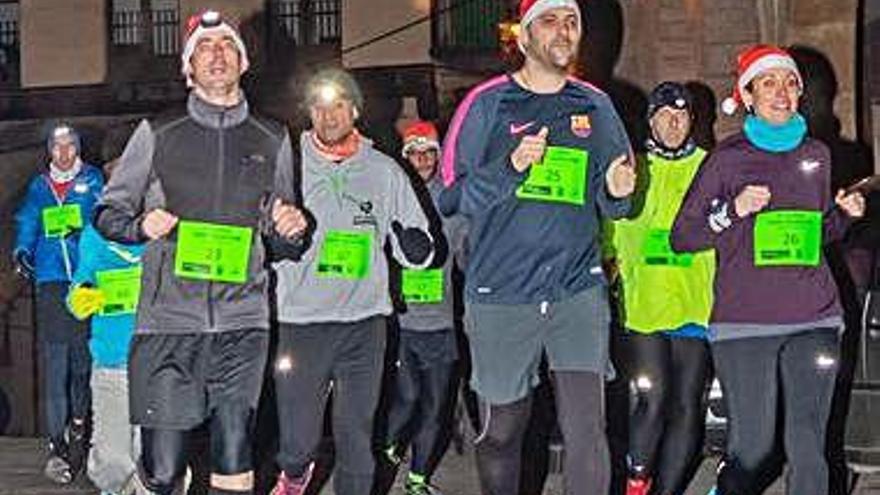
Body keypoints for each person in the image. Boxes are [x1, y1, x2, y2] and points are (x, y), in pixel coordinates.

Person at [94, 10, 307, 495]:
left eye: (226, 45)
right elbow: (108, 212)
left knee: (235, 448)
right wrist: (137, 225)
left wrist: (291, 230)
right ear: (188, 68)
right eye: (204, 48)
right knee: (165, 469)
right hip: (169, 322)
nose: (216, 54)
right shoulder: (158, 132)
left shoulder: (273, 137)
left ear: (243, 61)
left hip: (243, 321)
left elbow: (277, 234)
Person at [438, 0, 637, 492]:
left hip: (577, 289)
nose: (564, 31)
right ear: (523, 37)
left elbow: (616, 204)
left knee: (587, 428)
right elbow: (450, 197)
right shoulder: (485, 104)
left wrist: (618, 191)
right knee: (503, 431)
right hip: (503, 292)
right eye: (549, 20)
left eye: (572, 22)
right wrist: (510, 169)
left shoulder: (596, 105)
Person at [671, 44, 865, 495]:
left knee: (808, 446)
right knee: (753, 450)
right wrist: (732, 211)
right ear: (748, 95)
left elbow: (816, 236)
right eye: (769, 83)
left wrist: (844, 216)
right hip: (744, 324)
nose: (782, 92)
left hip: (815, 317)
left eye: (790, 82)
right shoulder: (727, 159)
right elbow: (684, 236)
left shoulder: (817, 154)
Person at [270, 69, 434, 495]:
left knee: (357, 439)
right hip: (300, 321)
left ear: (355, 110)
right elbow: (258, 234)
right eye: (319, 106)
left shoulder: (385, 171)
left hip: (365, 323)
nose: (328, 115)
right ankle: (293, 472)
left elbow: (421, 250)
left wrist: (413, 246)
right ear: (308, 113)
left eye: (338, 104)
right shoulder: (286, 163)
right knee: (298, 442)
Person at [610, 82, 714, 495]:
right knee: (652, 398)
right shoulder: (631, 166)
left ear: (692, 120)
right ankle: (638, 482)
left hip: (694, 302)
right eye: (665, 115)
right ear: (651, 120)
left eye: (682, 115)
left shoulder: (711, 166)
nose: (674, 123)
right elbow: (608, 223)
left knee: (688, 405)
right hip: (645, 305)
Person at [13, 123, 104, 484]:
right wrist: (22, 250)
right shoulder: (39, 186)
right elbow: (27, 221)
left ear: (78, 148)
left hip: (85, 279)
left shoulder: (94, 180)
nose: (64, 154)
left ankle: (79, 425)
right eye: (57, 147)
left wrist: (85, 231)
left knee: (82, 363)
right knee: (55, 363)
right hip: (51, 281)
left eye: (70, 147)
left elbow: (106, 217)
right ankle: (56, 445)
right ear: (49, 151)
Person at [381, 121, 468, 495]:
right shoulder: (392, 197)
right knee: (407, 397)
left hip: (441, 323)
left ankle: (417, 479)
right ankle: (384, 453)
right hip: (401, 321)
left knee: (435, 405)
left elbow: (468, 255)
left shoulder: (452, 203)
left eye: (429, 152)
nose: (422, 160)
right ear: (405, 158)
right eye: (414, 153)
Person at [67, 158, 145, 495]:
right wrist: (80, 296)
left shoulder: (170, 231)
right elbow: (80, 283)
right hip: (112, 360)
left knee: (159, 465)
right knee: (113, 461)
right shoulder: (94, 237)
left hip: (161, 363)